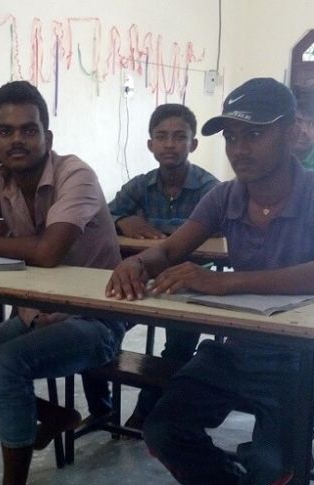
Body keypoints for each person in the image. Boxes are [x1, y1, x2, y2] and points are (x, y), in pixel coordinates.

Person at [107, 78, 314, 484]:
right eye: (232, 137)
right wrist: (138, 263)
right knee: (163, 429)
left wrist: (226, 282)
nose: (239, 149)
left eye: (254, 134)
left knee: (272, 465)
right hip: (243, 346)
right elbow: (170, 250)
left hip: (311, 357)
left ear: (291, 131)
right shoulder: (226, 195)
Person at [0, 80, 127, 485]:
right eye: (6, 131)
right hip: (35, 313)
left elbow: (48, 251)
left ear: (46, 138)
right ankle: (53, 415)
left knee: (7, 364)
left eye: (28, 130)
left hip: (96, 319)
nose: (16, 140)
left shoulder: (76, 175)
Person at [107, 103, 218, 430]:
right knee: (103, 325)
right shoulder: (140, 185)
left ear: (193, 144)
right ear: (150, 144)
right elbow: (103, 214)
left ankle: (149, 409)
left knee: (179, 344)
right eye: (161, 136)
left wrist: (159, 227)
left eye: (179, 137)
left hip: (189, 280)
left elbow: (213, 228)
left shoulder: (210, 188)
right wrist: (122, 220)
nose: (170, 144)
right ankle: (102, 408)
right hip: (143, 274)